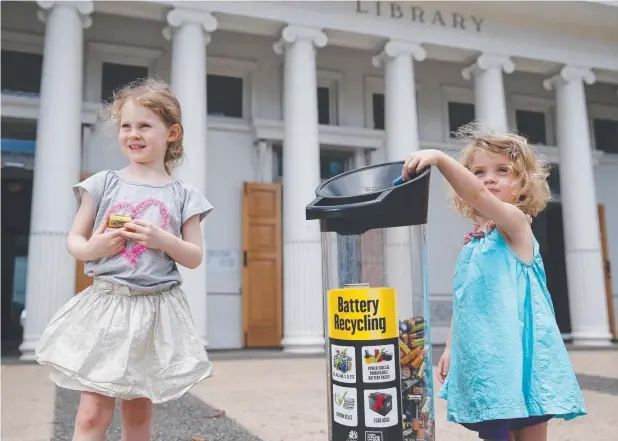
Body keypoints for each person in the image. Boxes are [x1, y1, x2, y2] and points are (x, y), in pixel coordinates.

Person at [35, 77, 214, 441]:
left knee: (137, 414)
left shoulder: (184, 195)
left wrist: (162, 239)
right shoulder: (103, 183)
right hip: (107, 304)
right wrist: (94, 248)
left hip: (154, 311)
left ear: (172, 132)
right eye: (126, 126)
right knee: (90, 413)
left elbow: (194, 257)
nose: (133, 134)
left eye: (145, 125)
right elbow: (75, 241)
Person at [401, 125, 586, 441]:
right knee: (494, 433)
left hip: (519, 356)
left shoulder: (515, 224)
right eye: (479, 171)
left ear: (523, 182)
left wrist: (440, 159)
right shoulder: (476, 240)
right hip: (487, 359)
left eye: (503, 171)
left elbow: (476, 194)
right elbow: (467, 300)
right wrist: (449, 348)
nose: (488, 178)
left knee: (528, 430)